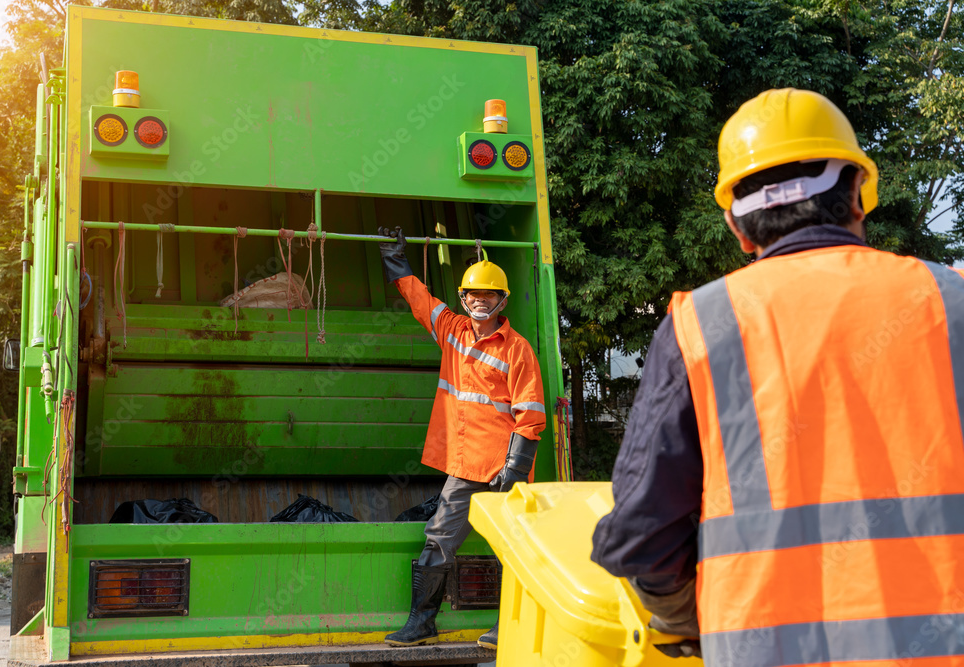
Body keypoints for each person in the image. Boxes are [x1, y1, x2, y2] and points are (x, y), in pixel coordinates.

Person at [591, 87, 964, 666]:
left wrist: (687, 619)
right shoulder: (950, 300)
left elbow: (643, 535)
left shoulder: (704, 325)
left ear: (739, 229)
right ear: (858, 198)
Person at [377, 226, 547, 649]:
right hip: (465, 465)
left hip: (503, 467)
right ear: (463, 297)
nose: (478, 301)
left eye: (487, 296)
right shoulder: (451, 330)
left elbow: (532, 413)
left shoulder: (517, 349)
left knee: (510, 549)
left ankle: (510, 627)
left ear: (502, 301)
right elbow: (421, 302)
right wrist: (396, 262)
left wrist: (516, 466)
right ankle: (422, 622)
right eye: (472, 294)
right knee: (438, 538)